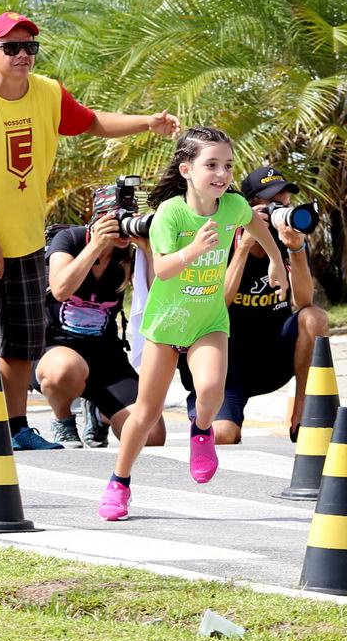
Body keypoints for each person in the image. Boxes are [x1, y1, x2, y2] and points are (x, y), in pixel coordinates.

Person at [0, 11, 178, 451]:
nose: (22, 55)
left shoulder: (48, 93)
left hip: (26, 238)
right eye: (11, 47)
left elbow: (90, 122)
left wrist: (147, 122)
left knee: (20, 341)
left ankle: (17, 427)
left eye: (29, 47)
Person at [97, 127, 288, 522]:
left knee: (212, 388)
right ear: (186, 169)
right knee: (146, 413)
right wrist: (194, 249)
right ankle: (119, 481)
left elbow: (256, 225)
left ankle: (201, 431)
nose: (222, 174)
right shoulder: (171, 214)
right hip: (166, 324)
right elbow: (164, 268)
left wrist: (275, 261)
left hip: (208, 320)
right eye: (211, 165)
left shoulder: (233, 206)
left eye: (228, 165)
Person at [178, 166, 329, 444]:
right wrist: (245, 246)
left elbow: (303, 302)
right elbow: (217, 303)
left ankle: (302, 414)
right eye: (271, 202)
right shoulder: (221, 238)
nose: (279, 208)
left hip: (271, 358)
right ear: (248, 207)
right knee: (223, 435)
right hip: (227, 364)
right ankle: (210, 410)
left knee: (315, 317)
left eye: (283, 201)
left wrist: (295, 249)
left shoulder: (288, 240)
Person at [33, 186, 164, 450]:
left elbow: (155, 299)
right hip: (56, 349)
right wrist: (95, 246)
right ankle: (63, 419)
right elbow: (60, 289)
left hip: (105, 355)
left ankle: (99, 412)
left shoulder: (129, 254)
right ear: (100, 219)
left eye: (130, 218)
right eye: (118, 219)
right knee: (65, 369)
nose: (124, 228)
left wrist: (149, 252)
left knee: (151, 436)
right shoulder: (70, 239)